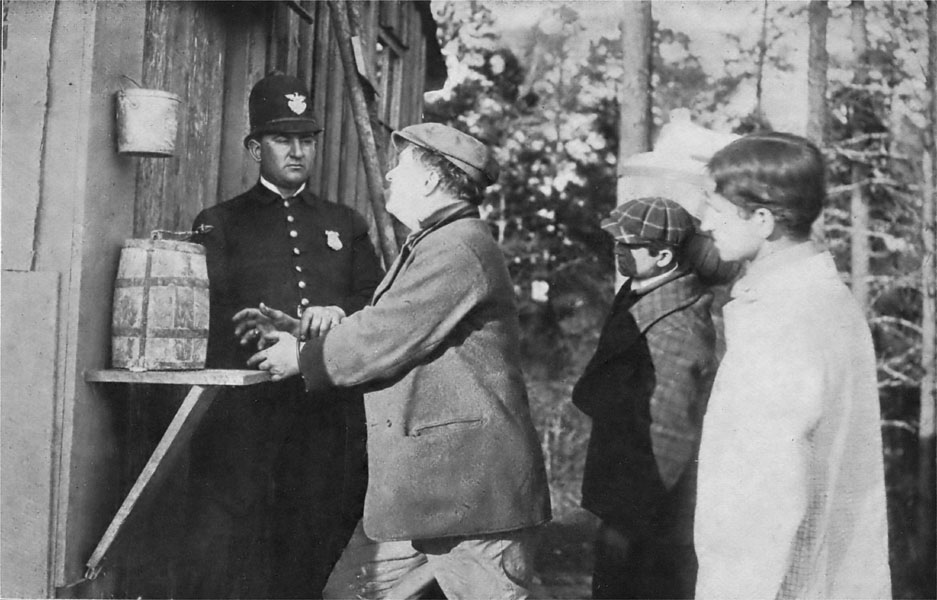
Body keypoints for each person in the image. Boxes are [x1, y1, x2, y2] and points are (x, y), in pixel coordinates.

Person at [244, 122, 552, 599]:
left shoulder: (458, 246)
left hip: (471, 493)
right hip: (430, 488)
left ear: (429, 180)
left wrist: (304, 358)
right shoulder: (437, 241)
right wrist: (303, 332)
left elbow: (388, 334)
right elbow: (391, 322)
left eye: (400, 167)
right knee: (347, 594)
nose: (389, 176)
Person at [181, 72, 384, 599]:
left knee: (312, 539)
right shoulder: (221, 223)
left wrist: (338, 312)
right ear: (255, 148)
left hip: (325, 415)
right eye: (281, 139)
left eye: (307, 140)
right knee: (236, 544)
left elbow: (377, 305)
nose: (297, 151)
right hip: (246, 416)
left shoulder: (346, 224)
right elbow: (209, 315)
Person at [694, 131, 892, 599]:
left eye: (718, 211)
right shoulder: (826, 300)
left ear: (763, 220)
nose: (705, 224)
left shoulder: (782, 321)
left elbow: (765, 496)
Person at [573, 197, 718, 599]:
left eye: (628, 244)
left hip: (648, 515)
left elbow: (668, 436)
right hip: (626, 499)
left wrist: (625, 521)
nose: (617, 250)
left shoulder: (679, 326)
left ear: (664, 256)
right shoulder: (644, 290)